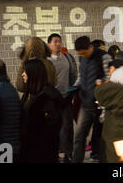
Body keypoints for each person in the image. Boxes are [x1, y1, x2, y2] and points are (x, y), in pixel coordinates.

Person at [72, 36, 112, 163]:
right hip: (86, 103)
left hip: (102, 105)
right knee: (79, 135)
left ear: (90, 47)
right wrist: (75, 87)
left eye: (84, 53)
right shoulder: (81, 58)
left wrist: (99, 82)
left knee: (101, 137)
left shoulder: (103, 57)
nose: (83, 56)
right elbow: (81, 76)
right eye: (80, 54)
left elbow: (110, 77)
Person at [94, 59, 123, 162]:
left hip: (114, 130)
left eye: (111, 68)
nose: (109, 71)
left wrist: (108, 81)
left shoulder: (112, 87)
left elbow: (98, 93)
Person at [20, 59, 64, 163]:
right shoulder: (29, 94)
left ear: (33, 73)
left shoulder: (46, 97)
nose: (22, 74)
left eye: (25, 71)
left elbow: (52, 126)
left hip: (42, 152)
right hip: (30, 149)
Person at [47, 33, 77, 163]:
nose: (58, 44)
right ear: (49, 45)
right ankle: (53, 155)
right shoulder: (46, 60)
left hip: (66, 98)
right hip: (51, 100)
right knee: (52, 128)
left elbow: (73, 76)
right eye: (55, 42)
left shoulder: (67, 57)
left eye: (59, 41)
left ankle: (68, 154)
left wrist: (72, 91)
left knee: (67, 127)